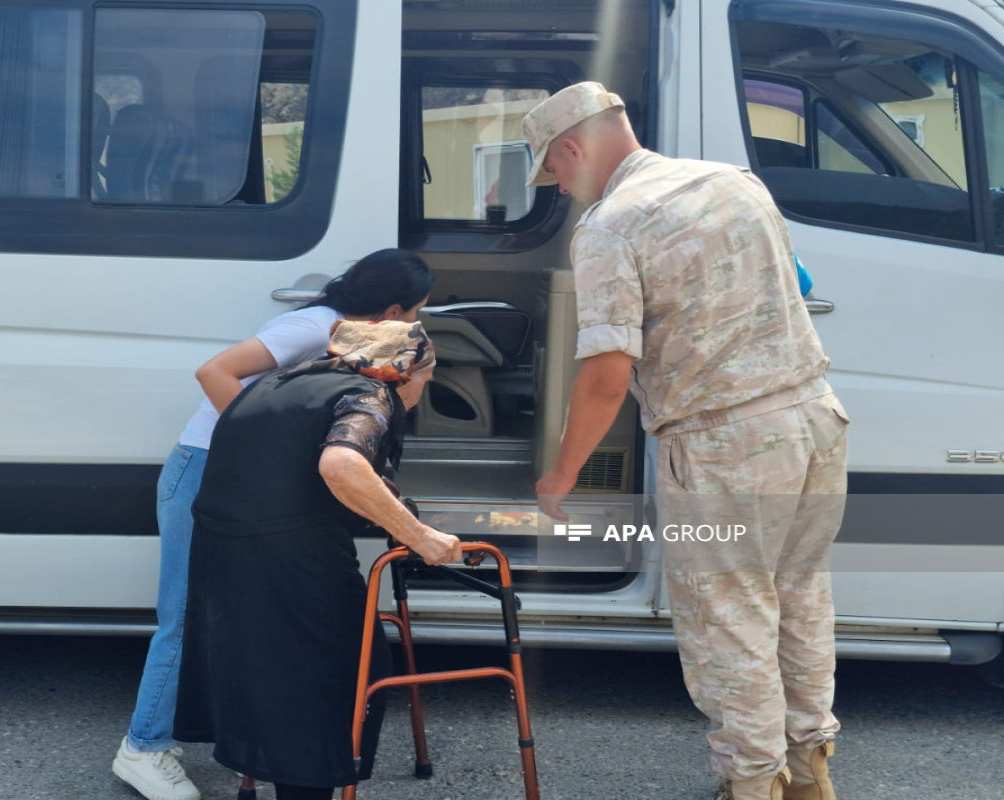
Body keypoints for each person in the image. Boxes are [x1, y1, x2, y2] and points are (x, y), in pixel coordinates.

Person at [525, 82, 849, 800]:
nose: (564, 189)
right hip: (815, 418)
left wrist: (562, 474)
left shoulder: (612, 225)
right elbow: (793, 283)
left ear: (573, 148)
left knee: (728, 618)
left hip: (724, 444)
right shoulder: (735, 182)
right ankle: (809, 769)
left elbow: (607, 374)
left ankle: (753, 784)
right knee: (800, 598)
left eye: (557, 172)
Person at [111, 250, 434, 800]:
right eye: (416, 314)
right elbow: (214, 372)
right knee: (188, 615)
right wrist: (262, 447)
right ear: (393, 309)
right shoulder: (315, 327)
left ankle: (233, 740)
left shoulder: (354, 343)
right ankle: (143, 747)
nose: (416, 328)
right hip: (206, 466)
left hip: (239, 475)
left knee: (234, 620)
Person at [173, 320, 461, 800]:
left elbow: (287, 468)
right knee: (345, 672)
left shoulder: (277, 383)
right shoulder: (371, 394)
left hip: (221, 552)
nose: (419, 395)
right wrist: (420, 535)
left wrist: (387, 511)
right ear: (405, 372)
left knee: (267, 673)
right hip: (291, 556)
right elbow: (340, 464)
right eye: (425, 383)